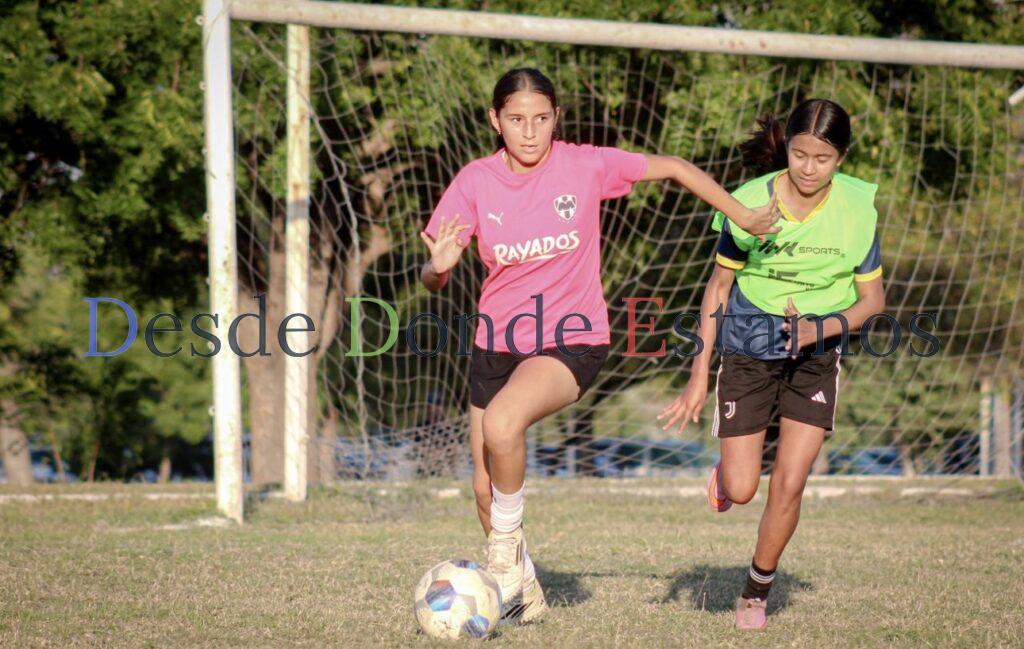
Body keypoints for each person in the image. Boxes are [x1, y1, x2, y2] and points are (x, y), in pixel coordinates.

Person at [420, 67, 781, 625]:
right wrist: (438, 271)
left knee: (502, 426)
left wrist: (746, 217)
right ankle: (524, 589)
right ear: (495, 121)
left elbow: (676, 168)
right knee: (484, 486)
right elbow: (434, 272)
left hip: (573, 339)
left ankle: (502, 556)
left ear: (556, 118)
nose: (530, 132)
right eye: (516, 120)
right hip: (496, 343)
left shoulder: (585, 164)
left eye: (541, 118)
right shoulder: (474, 181)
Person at [658, 98, 886, 630]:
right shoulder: (748, 203)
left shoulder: (857, 209)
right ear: (787, 148)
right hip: (747, 345)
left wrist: (816, 329)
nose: (809, 168)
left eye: (823, 158)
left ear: (842, 157)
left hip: (816, 352)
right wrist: (697, 374)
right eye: (799, 154)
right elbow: (717, 288)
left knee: (790, 482)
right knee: (742, 490)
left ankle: (755, 591)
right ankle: (728, 476)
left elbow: (873, 303)